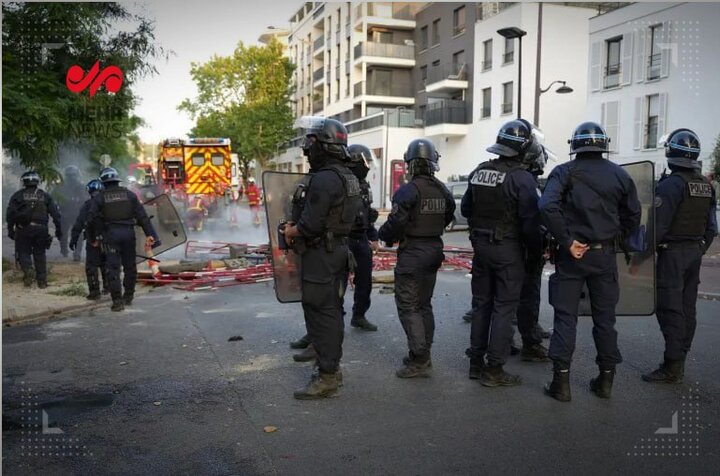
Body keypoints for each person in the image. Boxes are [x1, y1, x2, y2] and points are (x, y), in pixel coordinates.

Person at [539, 122, 641, 402]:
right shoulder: (620, 175)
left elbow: (546, 206)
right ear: (603, 144)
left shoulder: (563, 172)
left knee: (565, 318)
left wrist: (568, 241)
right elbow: (633, 215)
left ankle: (561, 384)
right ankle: (606, 380)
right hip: (604, 255)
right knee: (605, 320)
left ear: (575, 145)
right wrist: (617, 238)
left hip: (571, 257)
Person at [280, 117, 361, 399]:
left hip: (320, 254)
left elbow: (311, 225)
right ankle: (331, 370)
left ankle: (327, 376)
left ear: (323, 145)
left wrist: (292, 230)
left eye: (311, 143)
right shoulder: (348, 176)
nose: (307, 149)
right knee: (332, 311)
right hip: (338, 251)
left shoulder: (324, 179)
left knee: (321, 312)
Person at [461, 119, 544, 388]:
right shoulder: (522, 178)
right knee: (504, 308)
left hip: (481, 248)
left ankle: (476, 363)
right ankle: (494, 369)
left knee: (481, 305)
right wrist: (534, 253)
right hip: (508, 249)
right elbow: (531, 223)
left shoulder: (480, 171)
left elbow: (465, 210)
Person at [641, 129, 717, 384]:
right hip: (694, 253)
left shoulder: (671, 185)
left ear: (671, 153)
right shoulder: (705, 186)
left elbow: (657, 228)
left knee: (670, 308)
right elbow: (711, 227)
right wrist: (699, 249)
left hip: (672, 255)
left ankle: (672, 366)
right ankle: (680, 358)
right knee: (687, 308)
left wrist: (640, 256)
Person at [378, 139, 455, 378]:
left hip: (413, 254)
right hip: (433, 250)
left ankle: (419, 359)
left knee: (409, 306)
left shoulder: (408, 190)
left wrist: (384, 236)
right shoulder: (442, 189)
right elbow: (449, 215)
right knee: (424, 304)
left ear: (410, 163)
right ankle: (422, 353)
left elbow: (396, 222)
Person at [86, 167, 159, 312]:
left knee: (112, 268)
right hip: (128, 234)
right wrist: (151, 235)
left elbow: (90, 219)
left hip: (110, 236)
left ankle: (117, 301)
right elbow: (142, 217)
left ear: (104, 182)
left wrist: (93, 238)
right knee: (130, 266)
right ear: (117, 180)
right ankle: (129, 296)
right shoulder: (130, 195)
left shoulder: (99, 197)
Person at [6, 171, 62, 288]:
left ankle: (28, 271)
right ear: (37, 182)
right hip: (41, 229)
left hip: (23, 229)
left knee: (23, 252)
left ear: (24, 182)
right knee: (40, 254)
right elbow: (56, 215)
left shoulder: (17, 196)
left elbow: (10, 214)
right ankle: (42, 282)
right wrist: (59, 230)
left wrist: (10, 230)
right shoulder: (45, 196)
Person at [346, 144, 380, 331]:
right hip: (343, 240)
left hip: (361, 239)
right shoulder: (341, 183)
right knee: (337, 284)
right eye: (365, 162)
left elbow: (367, 215)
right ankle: (332, 323)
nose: (367, 167)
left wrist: (373, 237)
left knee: (364, 282)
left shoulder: (364, 185)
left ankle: (359, 315)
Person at [70, 179, 109, 300]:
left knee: (91, 266)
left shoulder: (87, 205)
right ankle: (108, 288)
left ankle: (94, 292)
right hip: (108, 240)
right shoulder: (108, 204)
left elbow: (79, 223)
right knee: (107, 264)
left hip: (93, 241)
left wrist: (74, 239)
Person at [54, 165, 86, 260]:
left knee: (66, 233)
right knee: (68, 233)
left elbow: (86, 199)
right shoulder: (61, 186)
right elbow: (53, 199)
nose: (72, 177)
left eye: (73, 175)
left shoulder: (80, 186)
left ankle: (71, 251)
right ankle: (71, 251)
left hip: (72, 213)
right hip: (69, 213)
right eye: (70, 175)